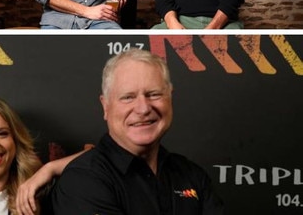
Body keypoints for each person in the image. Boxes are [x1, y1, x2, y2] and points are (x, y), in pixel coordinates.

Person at [52, 49, 224, 214]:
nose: (143, 109)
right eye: (128, 97)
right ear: (105, 106)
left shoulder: (192, 174)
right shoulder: (82, 180)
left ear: (170, 98)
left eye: (154, 94)